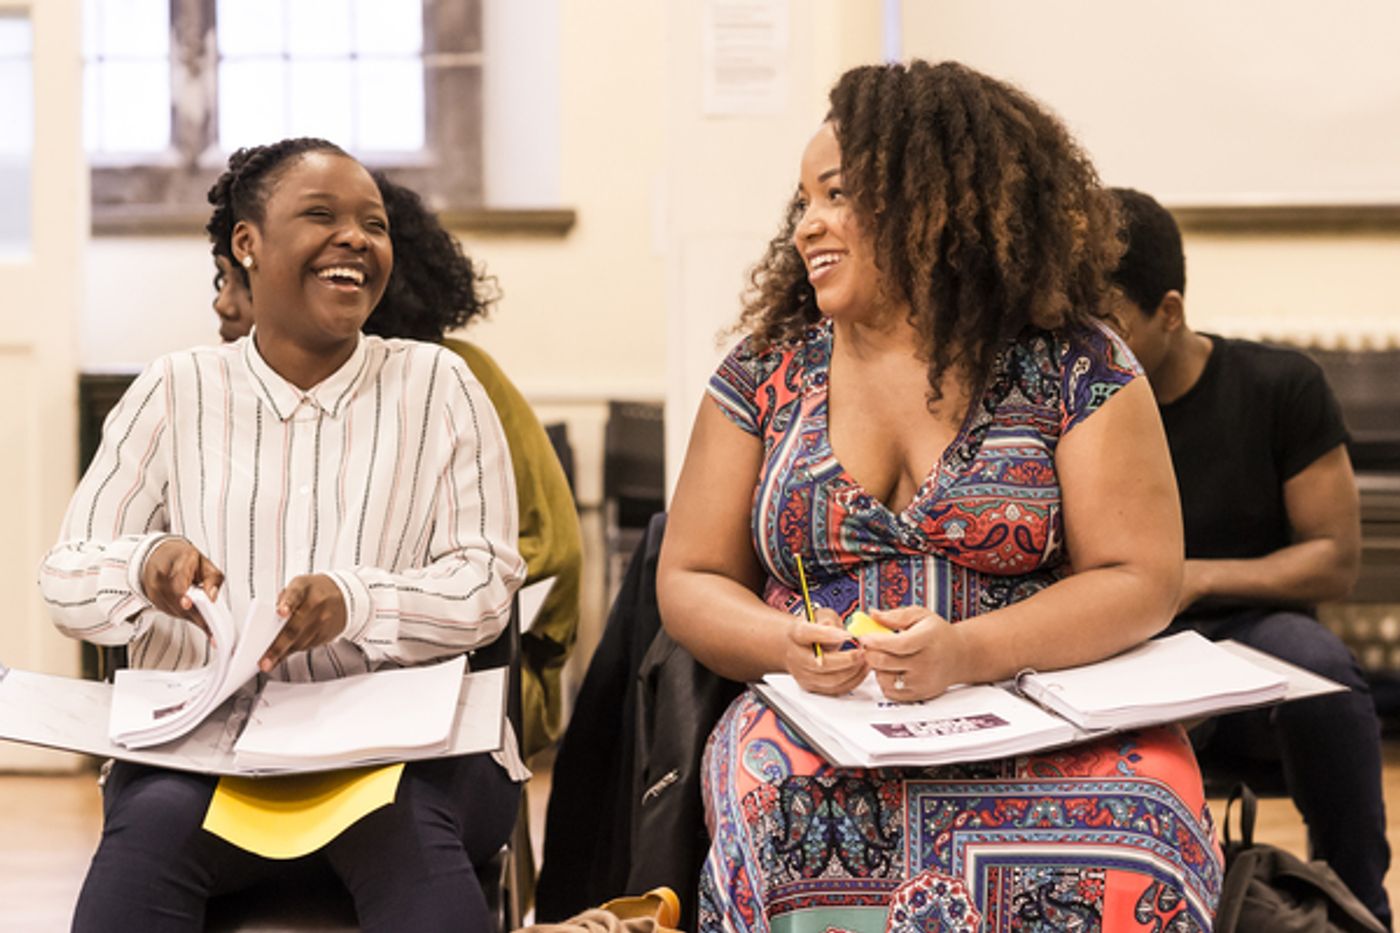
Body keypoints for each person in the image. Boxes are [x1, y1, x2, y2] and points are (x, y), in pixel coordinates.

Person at [658, 60, 1221, 932]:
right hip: (828, 721)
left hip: (1048, 706)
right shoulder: (764, 371)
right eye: (802, 201)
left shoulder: (1077, 365)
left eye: (837, 195)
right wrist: (784, 644)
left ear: (935, 202)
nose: (810, 225)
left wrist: (965, 651)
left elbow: (1140, 575)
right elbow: (688, 575)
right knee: (772, 797)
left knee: (1145, 817)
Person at [40, 137, 528, 932]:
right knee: (152, 832)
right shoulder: (176, 389)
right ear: (248, 244)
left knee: (403, 831)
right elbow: (66, 575)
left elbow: (484, 583)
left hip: (400, 757)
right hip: (202, 757)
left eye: (373, 224)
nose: (356, 239)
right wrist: (146, 566)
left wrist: (354, 602)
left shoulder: (438, 385)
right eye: (321, 216)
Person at [207, 173, 583, 758]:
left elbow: (543, 562)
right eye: (224, 279)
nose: (224, 305)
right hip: (309, 674)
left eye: (235, 284)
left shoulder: (454, 378)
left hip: (466, 665)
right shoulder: (229, 391)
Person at [1108, 187, 1391, 929]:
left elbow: (1333, 560)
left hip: (1257, 634)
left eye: (1111, 325)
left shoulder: (1279, 384)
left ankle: (1357, 904)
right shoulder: (1085, 402)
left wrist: (1193, 578)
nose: (1093, 347)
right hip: (1130, 641)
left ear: (1169, 311)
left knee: (1322, 674)